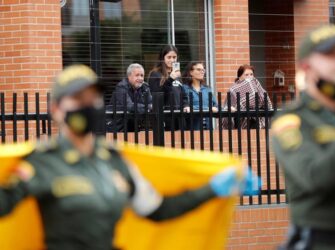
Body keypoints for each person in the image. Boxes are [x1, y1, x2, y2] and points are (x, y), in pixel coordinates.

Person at [0, 64, 257, 250]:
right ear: (56, 109)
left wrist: (213, 187)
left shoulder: (115, 161)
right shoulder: (41, 162)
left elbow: (157, 209)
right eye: (78, 99)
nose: (88, 105)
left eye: (93, 98)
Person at [271, 24, 335, 250]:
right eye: (331, 54)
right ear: (306, 66)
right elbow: (315, 177)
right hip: (324, 240)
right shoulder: (291, 120)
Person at [148, 45, 189, 129]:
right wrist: (170, 79)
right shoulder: (155, 74)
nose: (172, 60)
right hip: (165, 118)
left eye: (174, 57)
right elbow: (157, 94)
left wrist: (186, 105)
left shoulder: (177, 74)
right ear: (163, 58)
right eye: (169, 57)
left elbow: (183, 95)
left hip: (179, 117)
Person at [223, 64, 272, 129]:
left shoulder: (256, 85)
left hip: (256, 121)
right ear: (240, 77)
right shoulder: (233, 90)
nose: (250, 77)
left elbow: (266, 101)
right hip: (240, 123)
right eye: (246, 75)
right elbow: (227, 107)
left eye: (251, 74)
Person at [107, 63, 152, 132]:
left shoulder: (145, 87)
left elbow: (152, 104)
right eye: (137, 75)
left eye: (142, 75)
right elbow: (130, 107)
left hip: (135, 127)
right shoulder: (121, 87)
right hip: (118, 128)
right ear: (129, 76)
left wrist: (149, 107)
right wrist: (147, 107)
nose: (140, 78)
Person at [182, 61, 218, 130]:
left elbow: (215, 106)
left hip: (208, 129)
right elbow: (187, 107)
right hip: (192, 130)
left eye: (203, 70)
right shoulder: (184, 88)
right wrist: (208, 108)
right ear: (191, 72)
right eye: (198, 69)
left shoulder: (207, 89)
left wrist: (227, 108)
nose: (202, 72)